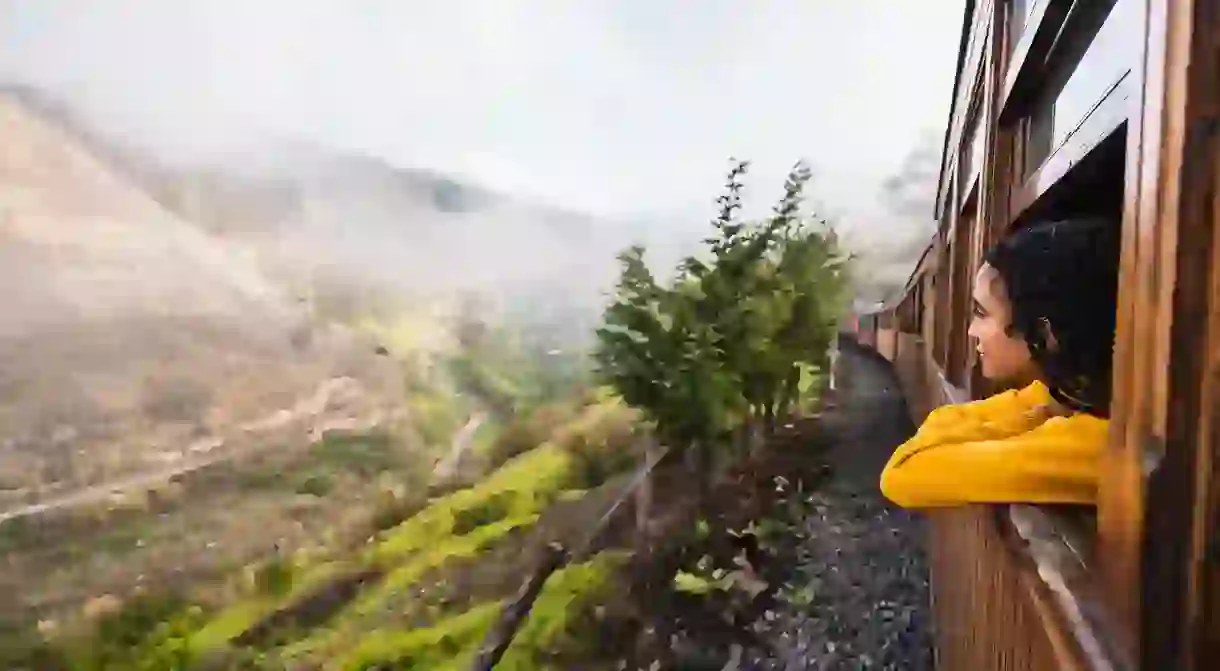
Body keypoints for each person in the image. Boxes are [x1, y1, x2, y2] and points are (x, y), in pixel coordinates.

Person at [880, 218, 1120, 508]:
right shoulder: (1064, 401)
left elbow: (901, 474)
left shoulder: (1094, 447)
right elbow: (941, 419)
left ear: (1044, 334)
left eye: (982, 313)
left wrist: (1030, 416)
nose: (971, 330)